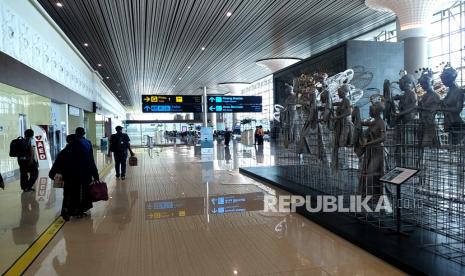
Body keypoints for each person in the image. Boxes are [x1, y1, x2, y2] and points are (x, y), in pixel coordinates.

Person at [49, 134, 99, 221]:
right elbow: (91, 164)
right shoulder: (84, 151)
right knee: (82, 194)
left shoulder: (64, 152)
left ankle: (67, 209)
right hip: (84, 177)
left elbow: (57, 164)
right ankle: (79, 211)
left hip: (69, 178)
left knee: (68, 193)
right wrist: (96, 176)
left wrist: (52, 174)